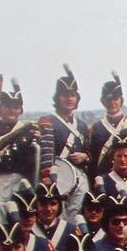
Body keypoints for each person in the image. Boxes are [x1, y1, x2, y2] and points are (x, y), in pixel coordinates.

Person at [39, 64, 91, 219]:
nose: (69, 99)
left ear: (77, 98)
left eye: (72, 95)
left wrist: (85, 157)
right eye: (65, 95)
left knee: (76, 217)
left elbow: (89, 151)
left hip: (79, 178)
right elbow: (46, 155)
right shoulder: (47, 121)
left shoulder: (81, 125)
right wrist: (49, 178)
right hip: (57, 177)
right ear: (58, 98)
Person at [0, 79, 38, 231]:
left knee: (22, 217)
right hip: (0, 178)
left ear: (20, 110)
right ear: (0, 108)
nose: (11, 110)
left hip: (23, 180)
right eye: (7, 106)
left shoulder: (28, 130)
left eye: (16, 107)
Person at [88, 72, 127, 180]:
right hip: (103, 177)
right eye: (109, 100)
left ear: (121, 101)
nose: (112, 102)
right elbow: (93, 157)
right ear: (103, 102)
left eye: (116, 99)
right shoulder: (97, 127)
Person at [95, 132, 127, 201]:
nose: (122, 159)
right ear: (112, 157)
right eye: (118, 156)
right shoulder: (103, 179)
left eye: (126, 156)